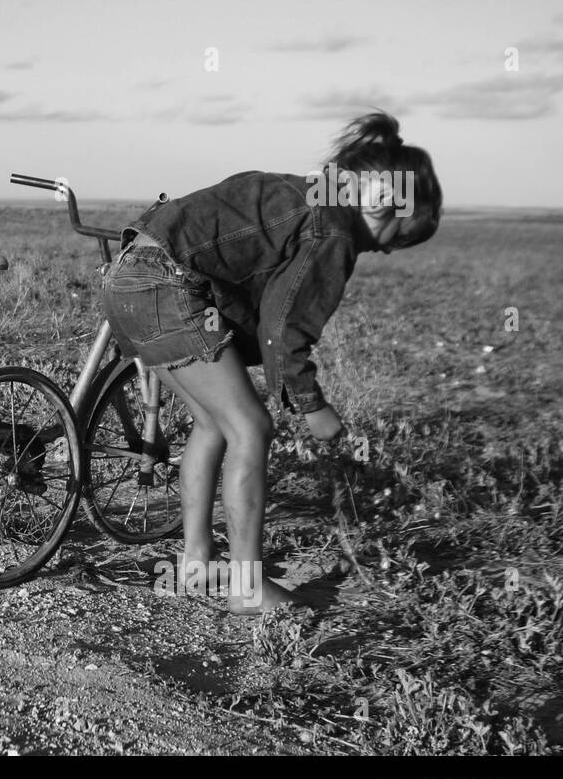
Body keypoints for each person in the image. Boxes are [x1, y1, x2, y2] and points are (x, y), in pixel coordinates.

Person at [102, 111, 442, 613]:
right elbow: (285, 328)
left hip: (127, 275)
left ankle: (197, 561)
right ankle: (246, 587)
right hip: (165, 284)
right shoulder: (335, 230)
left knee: (212, 424)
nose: (390, 252)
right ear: (390, 203)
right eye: (403, 237)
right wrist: (311, 405)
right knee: (251, 428)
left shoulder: (305, 194)